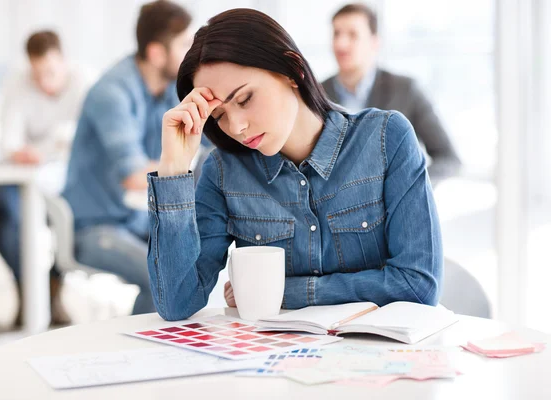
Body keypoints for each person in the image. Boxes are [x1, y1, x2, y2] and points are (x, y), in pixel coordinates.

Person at [146, 8, 443, 321]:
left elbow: (418, 286)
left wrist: (285, 292)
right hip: (276, 362)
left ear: (292, 70)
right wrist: (174, 169)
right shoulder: (223, 170)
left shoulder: (386, 139)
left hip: (377, 360)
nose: (236, 127)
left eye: (245, 99)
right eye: (218, 116)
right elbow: (176, 302)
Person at [62, 0, 192, 315]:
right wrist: (185, 165)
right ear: (156, 53)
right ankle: (139, 357)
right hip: (94, 227)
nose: (193, 53)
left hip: (135, 220)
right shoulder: (112, 93)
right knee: (161, 277)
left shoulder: (169, 89)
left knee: (195, 264)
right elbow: (134, 175)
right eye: (185, 44)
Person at [0, 30, 94, 324]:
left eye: (50, 72)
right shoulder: (17, 82)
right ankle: (28, 287)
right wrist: (38, 151)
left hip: (69, 178)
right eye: (37, 73)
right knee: (0, 203)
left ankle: (52, 286)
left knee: (78, 208)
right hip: (26, 179)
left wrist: (39, 150)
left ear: (63, 60)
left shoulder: (85, 81)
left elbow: (81, 139)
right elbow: (8, 141)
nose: (43, 81)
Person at [321, 4, 461, 184]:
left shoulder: (406, 90)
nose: (341, 43)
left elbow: (448, 158)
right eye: (336, 34)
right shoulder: (315, 94)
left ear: (374, 42)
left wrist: (410, 187)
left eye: (352, 35)